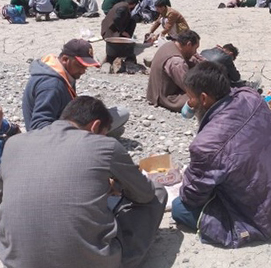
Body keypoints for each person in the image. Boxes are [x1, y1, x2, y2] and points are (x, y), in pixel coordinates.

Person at [0, 96, 167, 268]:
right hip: (88, 262)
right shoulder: (105, 146)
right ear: (95, 126)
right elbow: (144, 194)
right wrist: (119, 185)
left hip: (17, 262)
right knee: (157, 193)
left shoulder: (13, 143)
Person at [171, 62, 271, 248]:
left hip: (266, 218)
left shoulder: (207, 144)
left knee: (179, 208)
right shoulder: (251, 96)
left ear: (204, 98)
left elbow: (191, 197)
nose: (189, 104)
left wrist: (187, 180)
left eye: (191, 99)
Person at [22, 39, 129, 135]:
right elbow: (38, 126)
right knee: (121, 114)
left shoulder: (62, 72)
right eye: (80, 66)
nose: (83, 71)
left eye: (86, 67)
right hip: (54, 136)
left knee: (115, 116)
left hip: (63, 125)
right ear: (65, 59)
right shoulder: (52, 86)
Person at [147, 30, 202, 112]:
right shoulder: (177, 62)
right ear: (189, 44)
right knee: (203, 98)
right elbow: (188, 85)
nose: (195, 52)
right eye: (195, 48)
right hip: (166, 97)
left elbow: (194, 59)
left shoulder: (170, 45)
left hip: (154, 92)